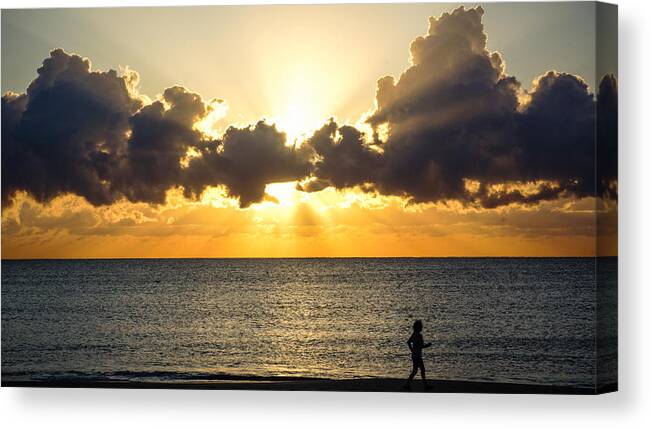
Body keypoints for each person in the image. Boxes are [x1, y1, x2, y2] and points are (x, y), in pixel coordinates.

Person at [404, 320, 431, 390]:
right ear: (419, 327)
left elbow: (408, 342)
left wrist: (412, 349)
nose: (422, 327)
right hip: (417, 356)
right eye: (421, 326)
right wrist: (427, 345)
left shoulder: (414, 334)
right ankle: (425, 385)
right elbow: (420, 346)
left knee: (415, 371)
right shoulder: (418, 335)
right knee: (422, 370)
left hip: (415, 355)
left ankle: (407, 384)